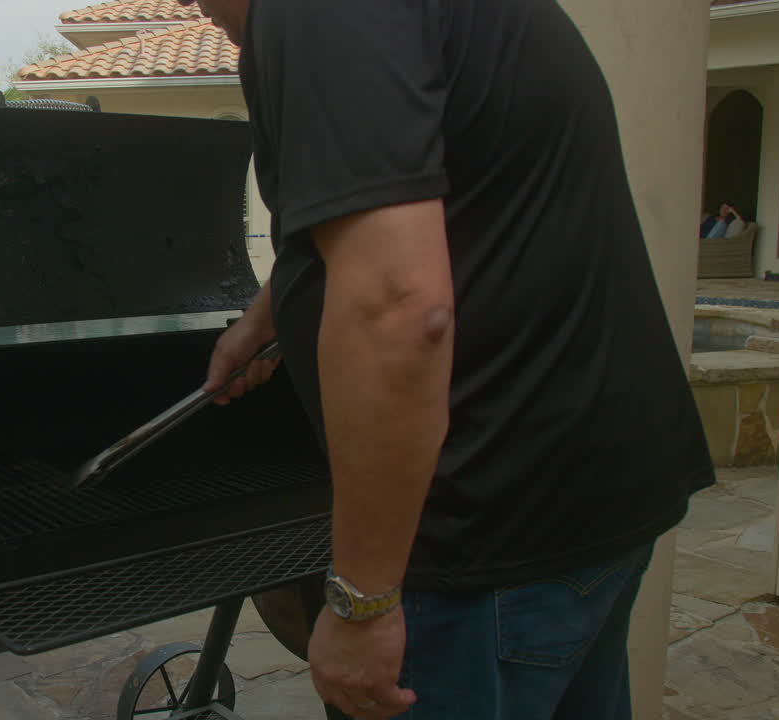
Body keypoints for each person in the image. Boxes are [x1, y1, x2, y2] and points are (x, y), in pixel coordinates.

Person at [182, 1, 715, 718]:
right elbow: (431, 189)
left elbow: (402, 309)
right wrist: (264, 319)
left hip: (486, 533)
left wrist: (362, 602)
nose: (189, 2)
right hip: (591, 494)